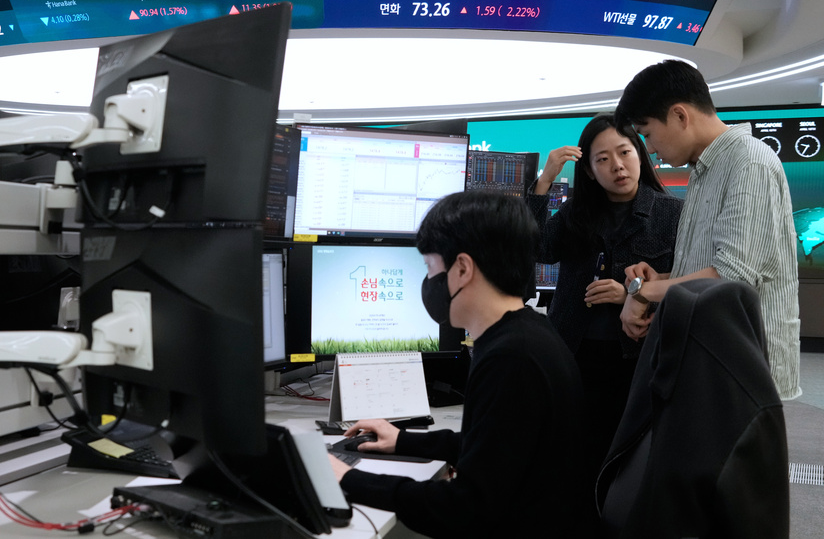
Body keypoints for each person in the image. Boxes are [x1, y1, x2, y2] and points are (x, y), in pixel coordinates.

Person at [328, 191, 589, 538]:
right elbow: (497, 445)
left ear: (462, 268)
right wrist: (405, 441)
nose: (428, 282)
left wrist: (348, 479)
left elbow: (464, 510)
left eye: (430, 267)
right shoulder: (527, 333)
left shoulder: (511, 359)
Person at [613, 59, 801, 400]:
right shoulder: (705, 169)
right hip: (713, 358)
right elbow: (710, 266)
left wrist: (640, 292)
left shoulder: (749, 162)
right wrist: (661, 279)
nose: (651, 150)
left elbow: (731, 278)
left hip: (741, 372)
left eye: (648, 133)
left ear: (680, 116)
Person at [525, 114, 683, 488]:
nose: (617, 166)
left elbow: (686, 283)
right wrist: (545, 179)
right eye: (602, 159)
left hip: (637, 358)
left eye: (624, 152)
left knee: (628, 459)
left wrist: (630, 292)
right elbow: (537, 248)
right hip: (574, 353)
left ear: (639, 154)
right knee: (574, 455)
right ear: (591, 171)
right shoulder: (578, 213)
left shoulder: (671, 213)